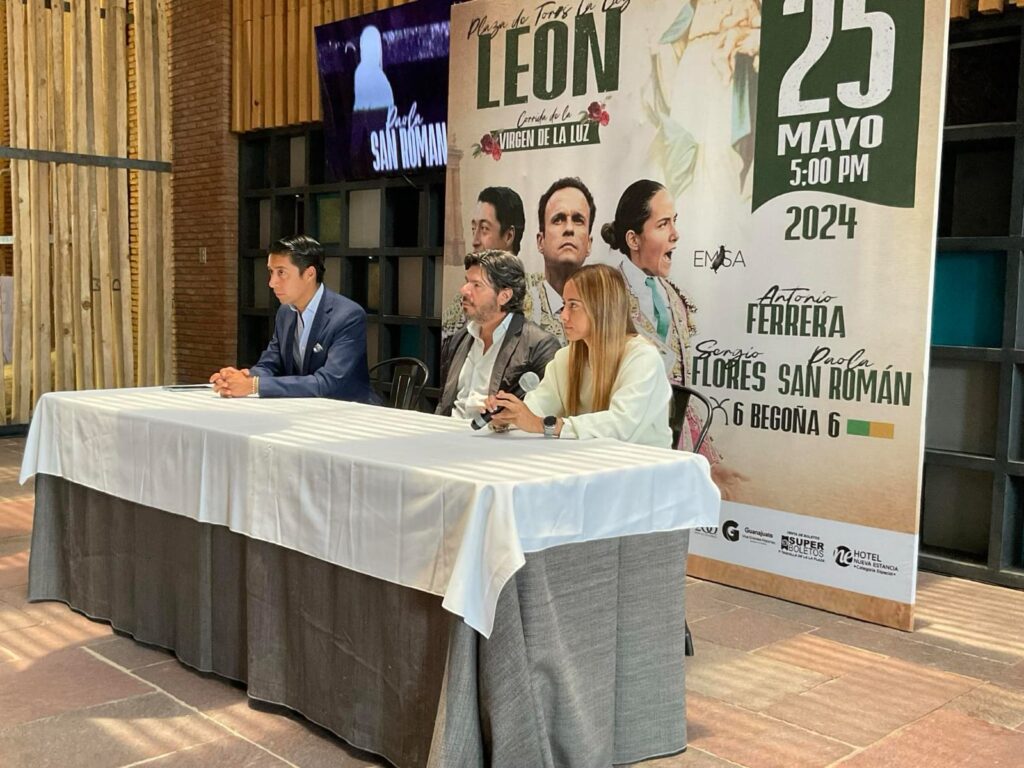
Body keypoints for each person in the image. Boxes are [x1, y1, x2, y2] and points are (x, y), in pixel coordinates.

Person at [603, 179, 750, 497]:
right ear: (634, 239)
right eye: (663, 224)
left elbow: (683, 391)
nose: (675, 234)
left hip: (674, 460)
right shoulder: (603, 293)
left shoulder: (677, 299)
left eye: (675, 222)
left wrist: (706, 462)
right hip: (622, 465)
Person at [485, 264, 671, 448]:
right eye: (564, 304)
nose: (563, 316)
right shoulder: (565, 358)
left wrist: (544, 425)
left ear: (602, 307)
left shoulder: (643, 358)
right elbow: (537, 408)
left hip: (643, 470)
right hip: (592, 464)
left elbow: (621, 426)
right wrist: (508, 417)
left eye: (573, 305)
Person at [209, 235, 375, 402]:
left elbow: (328, 383)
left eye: (281, 272)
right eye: (271, 272)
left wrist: (255, 385)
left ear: (310, 274)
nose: (272, 282)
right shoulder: (285, 312)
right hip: (303, 408)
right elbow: (270, 364)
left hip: (351, 412)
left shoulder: (347, 316)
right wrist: (242, 377)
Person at [437, 250, 560, 420]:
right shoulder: (459, 339)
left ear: (504, 296)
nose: (464, 290)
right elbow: (444, 403)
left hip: (496, 439)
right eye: (467, 282)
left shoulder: (539, 345)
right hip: (449, 433)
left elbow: (544, 413)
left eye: (476, 285)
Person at [441, 187, 527, 341]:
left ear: (508, 236)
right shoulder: (458, 307)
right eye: (473, 229)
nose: (475, 241)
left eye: (484, 229)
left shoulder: (537, 298)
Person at [524, 177, 596, 346]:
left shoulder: (606, 313)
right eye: (558, 219)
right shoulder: (516, 313)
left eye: (578, 220)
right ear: (540, 241)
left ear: (589, 244)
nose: (569, 229)